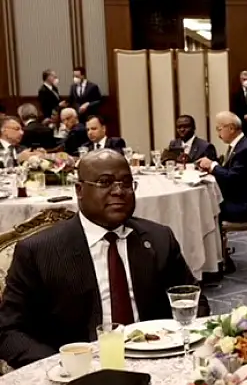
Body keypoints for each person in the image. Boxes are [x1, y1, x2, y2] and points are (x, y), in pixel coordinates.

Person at [0, 149, 210, 369]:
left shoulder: (159, 239)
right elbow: (8, 331)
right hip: (77, 372)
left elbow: (195, 303)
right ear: (79, 190)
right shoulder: (39, 251)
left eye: (126, 183)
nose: (119, 191)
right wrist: (63, 365)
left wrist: (173, 346)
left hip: (158, 360)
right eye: (105, 182)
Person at [196, 111, 247, 223]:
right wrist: (211, 167)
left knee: (205, 208)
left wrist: (212, 165)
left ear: (231, 128)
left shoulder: (246, 149)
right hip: (239, 199)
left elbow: (232, 178)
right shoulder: (239, 145)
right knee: (206, 204)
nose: (218, 134)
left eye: (219, 129)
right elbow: (231, 172)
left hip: (246, 206)